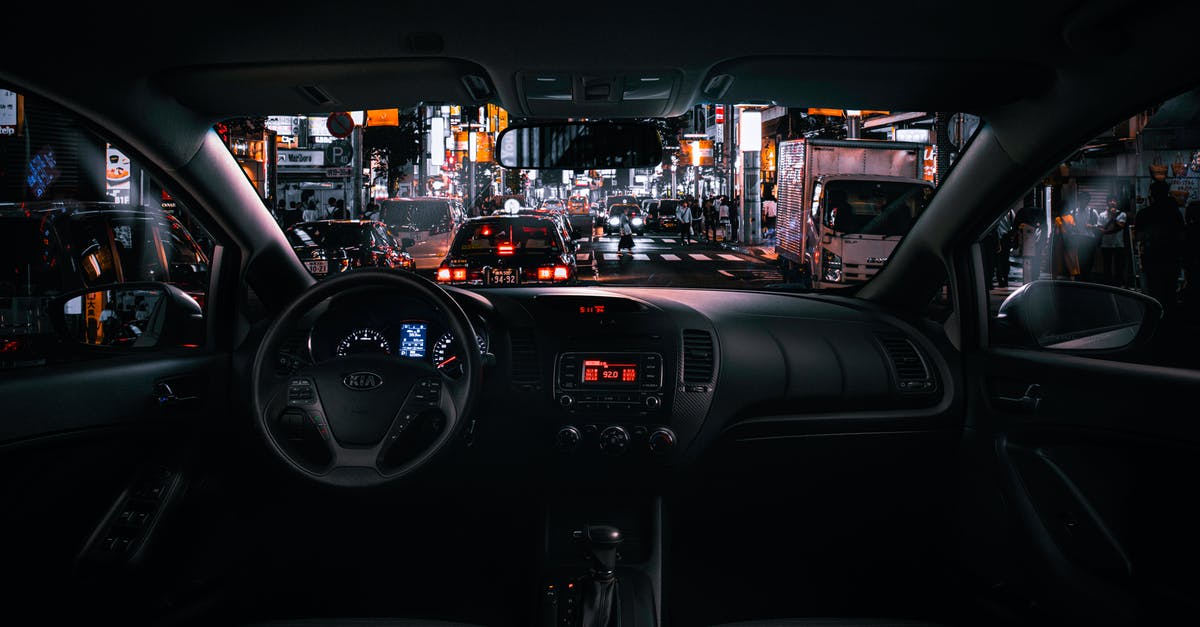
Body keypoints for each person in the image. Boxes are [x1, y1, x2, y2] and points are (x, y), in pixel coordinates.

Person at [1136, 180, 1186, 316]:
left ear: (1151, 194)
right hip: (1171, 258)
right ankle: (1171, 320)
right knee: (1170, 291)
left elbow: (1139, 238)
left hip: (1152, 258)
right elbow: (1181, 236)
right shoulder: (1175, 213)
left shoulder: (1144, 213)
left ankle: (1156, 319)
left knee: (1153, 292)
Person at [1097, 194, 1129, 287]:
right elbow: (1100, 228)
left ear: (1117, 202)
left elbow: (1121, 226)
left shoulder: (1122, 214)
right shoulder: (1102, 214)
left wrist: (1114, 217)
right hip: (1106, 244)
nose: (1112, 202)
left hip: (1118, 244)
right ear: (1107, 202)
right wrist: (1106, 231)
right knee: (1107, 265)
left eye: (1114, 200)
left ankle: (1118, 285)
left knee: (1119, 266)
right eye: (1110, 200)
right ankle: (1108, 284)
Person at [1013, 194, 1043, 285]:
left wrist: (1016, 243)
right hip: (1037, 241)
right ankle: (1035, 279)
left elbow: (1015, 227)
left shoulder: (1021, 212)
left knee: (1026, 262)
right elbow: (1045, 227)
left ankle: (1026, 281)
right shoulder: (1040, 212)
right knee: (1037, 261)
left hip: (1025, 242)